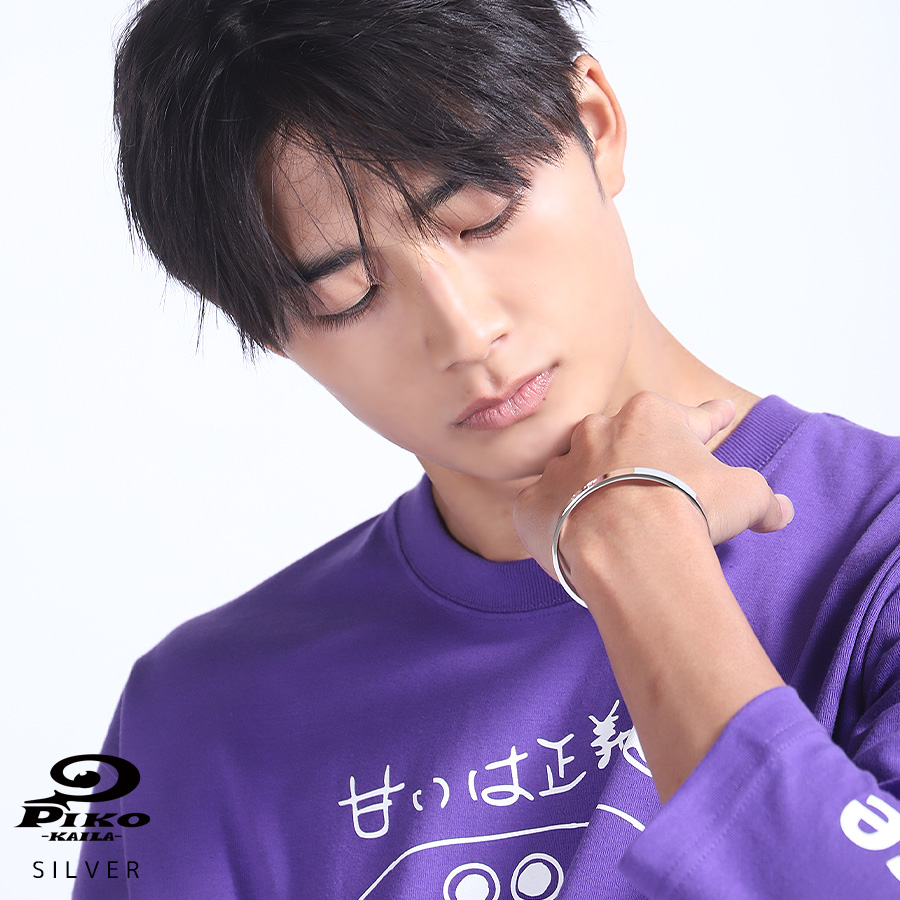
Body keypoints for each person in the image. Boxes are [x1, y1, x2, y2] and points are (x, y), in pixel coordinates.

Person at [73, 0, 900, 897]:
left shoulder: (875, 553)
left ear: (596, 124)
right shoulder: (204, 722)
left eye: (482, 217)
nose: (466, 332)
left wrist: (644, 558)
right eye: (350, 295)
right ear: (268, 328)